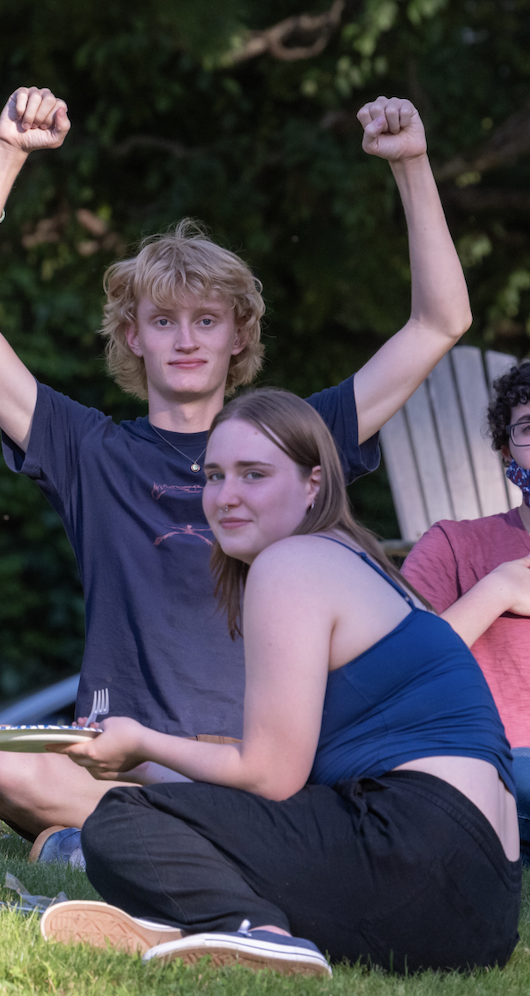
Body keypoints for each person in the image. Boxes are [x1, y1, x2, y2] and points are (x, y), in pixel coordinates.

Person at [0, 88, 472, 852]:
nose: (187, 339)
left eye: (207, 320)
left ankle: (113, 843)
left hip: (259, 765)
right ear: (132, 337)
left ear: (239, 336)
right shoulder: (90, 450)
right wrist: (7, 154)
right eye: (164, 321)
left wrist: (412, 165)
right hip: (121, 761)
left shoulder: (295, 439)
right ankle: (144, 835)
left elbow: (440, 323)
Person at [39, 389, 519, 976]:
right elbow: (280, 792)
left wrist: (141, 741)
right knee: (153, 808)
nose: (226, 496)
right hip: (483, 908)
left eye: (254, 475)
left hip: (417, 847)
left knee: (120, 822)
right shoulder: (355, 561)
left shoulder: (291, 564)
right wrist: (139, 765)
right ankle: (192, 928)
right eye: (214, 476)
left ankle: (258, 934)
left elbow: (269, 777)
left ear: (313, 482)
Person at [400, 359, 530, 854]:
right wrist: (496, 590)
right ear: (505, 451)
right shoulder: (455, 547)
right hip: (495, 767)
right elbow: (397, 674)